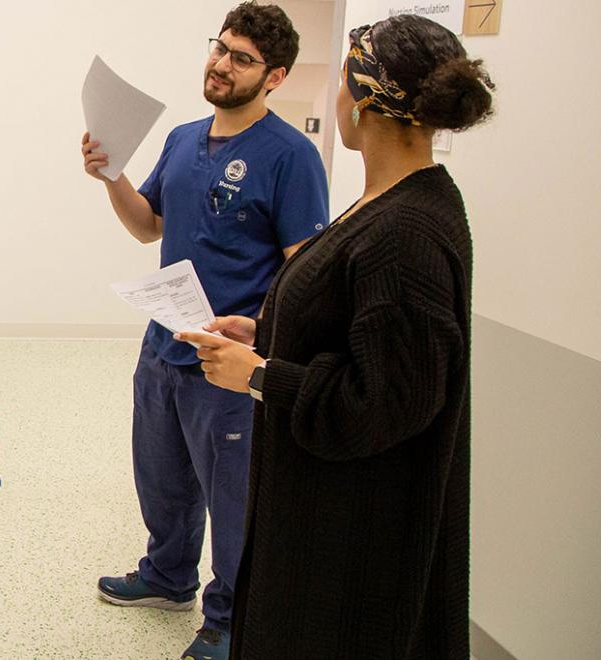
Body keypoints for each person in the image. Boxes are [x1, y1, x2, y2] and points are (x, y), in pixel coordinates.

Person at [177, 14, 494, 659]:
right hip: (322, 506)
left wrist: (258, 374)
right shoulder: (386, 202)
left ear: (368, 100)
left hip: (353, 535)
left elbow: (387, 400)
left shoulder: (408, 232)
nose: (339, 98)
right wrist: (266, 331)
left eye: (346, 80)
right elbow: (357, 327)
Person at [81, 3, 328, 658]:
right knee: (161, 477)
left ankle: (228, 617)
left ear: (273, 77)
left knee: (234, 500)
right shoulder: (183, 138)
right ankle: (167, 576)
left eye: (241, 58)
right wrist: (112, 176)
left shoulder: (291, 157)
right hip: (164, 343)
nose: (220, 63)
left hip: (228, 363)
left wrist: (260, 332)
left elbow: (305, 270)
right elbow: (147, 225)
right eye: (220, 48)